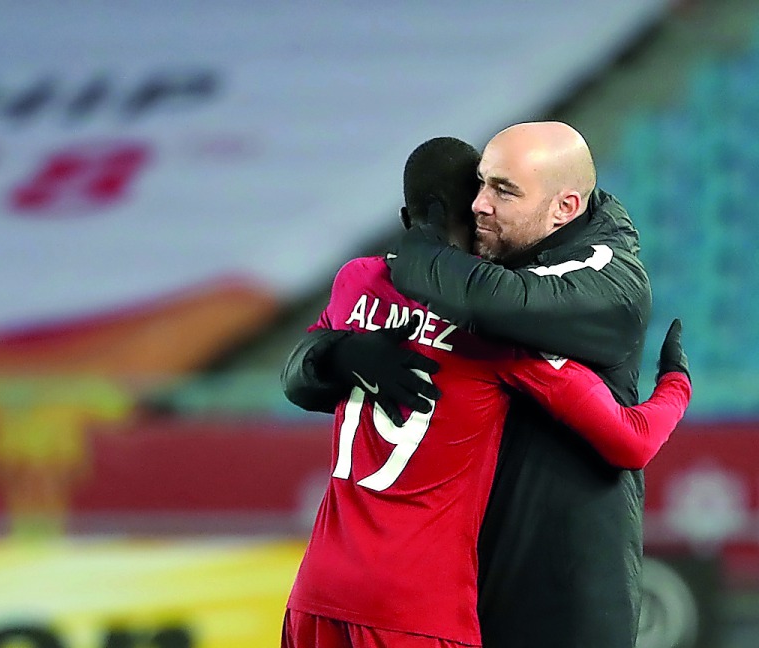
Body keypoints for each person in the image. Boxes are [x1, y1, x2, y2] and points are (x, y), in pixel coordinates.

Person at [281, 136, 692, 648]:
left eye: (502, 191)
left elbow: (298, 371)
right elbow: (631, 439)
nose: (484, 210)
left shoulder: (355, 282)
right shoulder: (494, 336)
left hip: (316, 592)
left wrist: (341, 352)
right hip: (416, 606)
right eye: (478, 197)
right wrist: (677, 383)